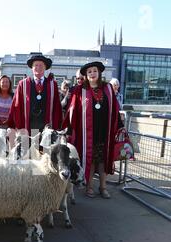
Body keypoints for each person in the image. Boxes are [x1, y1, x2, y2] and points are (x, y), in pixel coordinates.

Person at [63, 61, 124, 199]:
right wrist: (69, 130)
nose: (92, 73)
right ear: (85, 75)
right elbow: (72, 111)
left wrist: (119, 126)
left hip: (104, 132)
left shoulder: (108, 88)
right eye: (89, 72)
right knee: (89, 160)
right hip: (86, 133)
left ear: (99, 73)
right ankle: (89, 187)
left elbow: (115, 108)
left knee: (103, 160)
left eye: (94, 71)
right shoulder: (80, 90)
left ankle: (103, 187)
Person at [7, 54, 62, 132]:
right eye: (36, 65)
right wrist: (14, 126)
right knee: (27, 144)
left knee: (45, 144)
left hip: (46, 126)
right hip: (28, 125)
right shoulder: (23, 84)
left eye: (41, 65)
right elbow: (16, 105)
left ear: (45, 68)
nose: (38, 68)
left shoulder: (53, 84)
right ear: (32, 68)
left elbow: (57, 107)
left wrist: (57, 127)